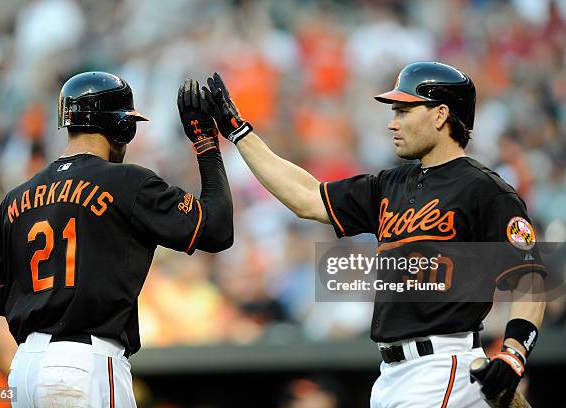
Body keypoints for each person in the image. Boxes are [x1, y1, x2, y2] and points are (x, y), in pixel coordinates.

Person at [203, 62, 546, 407]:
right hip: (392, 374)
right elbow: (308, 197)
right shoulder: (391, 184)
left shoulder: (485, 190)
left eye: (403, 111)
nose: (392, 122)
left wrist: (514, 354)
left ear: (440, 115)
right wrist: (240, 134)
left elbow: (528, 280)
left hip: (442, 365)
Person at [0, 72, 233, 407]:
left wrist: (31, 304)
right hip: (86, 364)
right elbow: (217, 230)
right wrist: (206, 144)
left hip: (25, 368)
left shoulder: (18, 196)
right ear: (120, 127)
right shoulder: (127, 182)